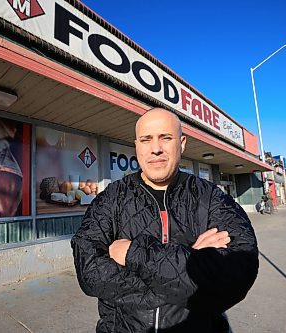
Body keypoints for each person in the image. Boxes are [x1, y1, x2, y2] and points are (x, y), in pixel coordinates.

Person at [71, 108, 259, 332]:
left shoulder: (212, 198)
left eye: (166, 138)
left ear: (182, 143)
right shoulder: (112, 198)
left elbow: (236, 276)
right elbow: (90, 273)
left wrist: (134, 254)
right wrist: (191, 261)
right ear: (137, 146)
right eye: (146, 139)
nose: (156, 149)